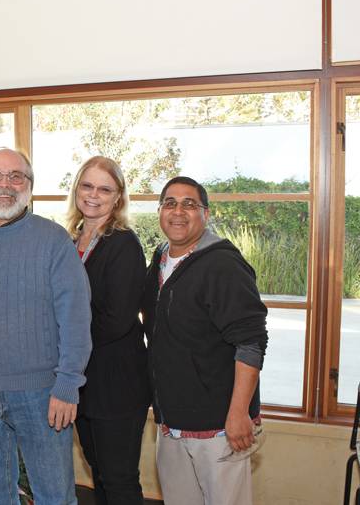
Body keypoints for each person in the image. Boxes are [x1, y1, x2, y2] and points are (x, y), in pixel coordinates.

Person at [0, 147, 92, 504]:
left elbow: (76, 317)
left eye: (16, 177)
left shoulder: (54, 240)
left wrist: (68, 385)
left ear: (29, 186)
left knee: (55, 496)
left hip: (43, 395)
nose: (4, 185)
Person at [142, 176, 268, 505]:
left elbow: (251, 342)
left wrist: (239, 413)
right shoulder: (160, 258)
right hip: (172, 423)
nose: (178, 211)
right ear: (159, 212)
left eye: (189, 204)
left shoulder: (223, 264)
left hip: (220, 427)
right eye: (170, 203)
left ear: (206, 214)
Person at [66, 156, 150, 504]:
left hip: (117, 384)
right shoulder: (71, 239)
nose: (94, 195)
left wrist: (67, 343)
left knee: (118, 480)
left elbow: (117, 319)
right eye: (87, 185)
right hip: (84, 382)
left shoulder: (124, 243)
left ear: (118, 197)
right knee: (98, 471)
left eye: (105, 188)